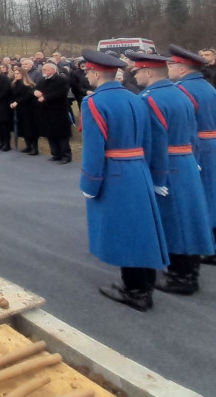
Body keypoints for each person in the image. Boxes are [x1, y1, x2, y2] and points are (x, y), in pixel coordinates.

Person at [79, 49, 169, 312]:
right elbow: (152, 141)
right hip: (138, 168)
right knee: (141, 229)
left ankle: (135, 291)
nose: (88, 75)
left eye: (88, 72)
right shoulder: (136, 98)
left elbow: (94, 149)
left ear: (96, 73)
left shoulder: (93, 102)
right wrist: (155, 173)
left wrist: (90, 183)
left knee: (126, 232)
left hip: (115, 172)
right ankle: (144, 284)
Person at [128, 51, 215, 295]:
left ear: (147, 71)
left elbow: (152, 141)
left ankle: (181, 277)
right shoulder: (180, 93)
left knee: (173, 219)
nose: (134, 75)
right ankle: (188, 272)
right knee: (187, 216)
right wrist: (194, 159)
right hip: (185, 160)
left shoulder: (149, 99)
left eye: (136, 71)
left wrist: (155, 175)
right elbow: (193, 130)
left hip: (167, 164)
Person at [168, 45, 216, 266]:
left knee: (201, 198)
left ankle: (211, 248)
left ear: (182, 68)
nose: (168, 69)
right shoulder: (208, 87)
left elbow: (185, 125)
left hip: (198, 147)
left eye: (171, 65)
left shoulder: (181, 90)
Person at [34, 62, 73, 164]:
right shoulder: (42, 80)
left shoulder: (61, 80)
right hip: (46, 111)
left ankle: (66, 155)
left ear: (53, 70)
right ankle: (55, 154)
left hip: (58, 111)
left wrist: (45, 97)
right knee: (50, 133)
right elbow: (35, 88)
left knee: (61, 134)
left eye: (45, 69)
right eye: (43, 69)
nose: (43, 71)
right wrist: (34, 92)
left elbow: (62, 93)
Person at [10, 66, 39, 155]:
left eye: (18, 74)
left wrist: (17, 102)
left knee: (30, 128)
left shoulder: (29, 85)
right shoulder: (14, 84)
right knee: (23, 128)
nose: (16, 75)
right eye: (15, 74)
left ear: (23, 74)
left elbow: (28, 96)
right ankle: (28, 146)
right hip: (19, 110)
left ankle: (34, 148)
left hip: (29, 109)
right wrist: (12, 102)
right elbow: (12, 95)